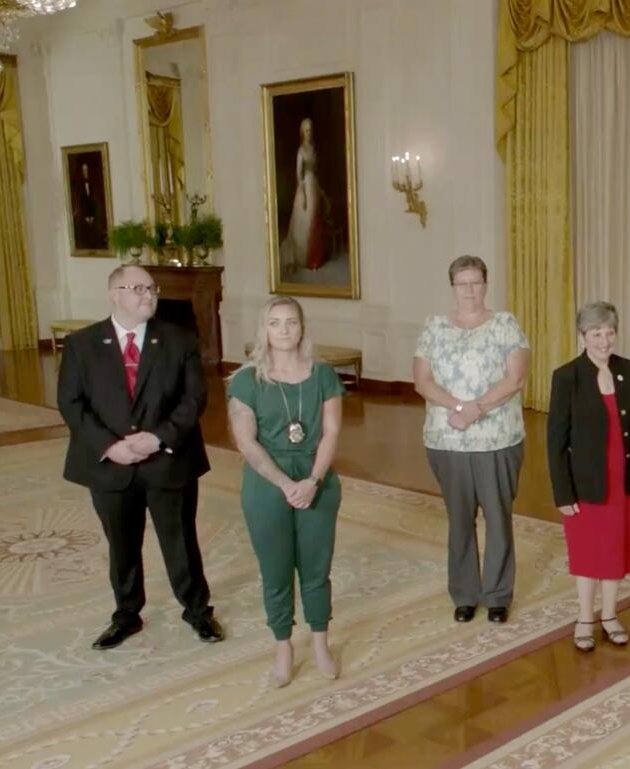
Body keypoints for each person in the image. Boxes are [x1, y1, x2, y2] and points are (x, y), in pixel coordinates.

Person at [57, 265, 222, 650]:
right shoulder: (82, 344)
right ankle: (126, 615)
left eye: (152, 288)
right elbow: (71, 403)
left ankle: (198, 611)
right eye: (138, 288)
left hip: (168, 459)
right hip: (111, 464)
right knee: (122, 544)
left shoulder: (179, 340)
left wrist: (158, 438)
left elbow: (194, 398)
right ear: (115, 294)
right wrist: (109, 446)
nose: (148, 295)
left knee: (180, 541)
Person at [227, 297, 344, 688]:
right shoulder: (246, 381)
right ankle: (283, 649)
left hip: (317, 476)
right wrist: (285, 484)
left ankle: (321, 644)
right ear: (264, 329)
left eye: (291, 322)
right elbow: (246, 443)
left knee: (316, 568)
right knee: (275, 571)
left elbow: (331, 433)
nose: (283, 330)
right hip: (266, 483)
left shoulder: (324, 375)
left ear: (302, 328)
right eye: (275, 323)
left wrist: (312, 480)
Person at [413, 255, 529, 624]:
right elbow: (422, 382)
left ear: (485, 284)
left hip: (497, 439)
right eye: (462, 283)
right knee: (459, 519)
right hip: (446, 440)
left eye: (475, 282)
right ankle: (464, 594)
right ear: (452, 287)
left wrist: (476, 409)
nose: (469, 290)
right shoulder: (433, 327)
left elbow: (515, 378)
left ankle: (497, 595)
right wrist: (459, 407)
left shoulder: (506, 325)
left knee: (498, 517)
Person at [547, 302, 630, 652]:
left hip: (624, 479)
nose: (604, 340)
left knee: (615, 550)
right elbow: (556, 441)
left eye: (609, 332)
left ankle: (609, 615)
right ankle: (584, 618)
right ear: (583, 337)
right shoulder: (566, 376)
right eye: (596, 333)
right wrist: (563, 494)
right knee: (587, 552)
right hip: (586, 483)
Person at [282, 117, 328, 273]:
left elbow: (315, 172)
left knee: (315, 220)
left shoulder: (313, 149)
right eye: (307, 130)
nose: (309, 133)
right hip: (305, 188)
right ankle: (303, 258)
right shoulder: (301, 151)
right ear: (302, 132)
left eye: (311, 130)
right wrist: (304, 197)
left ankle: (314, 258)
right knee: (304, 223)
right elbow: (298, 175)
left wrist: (320, 191)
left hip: (313, 185)